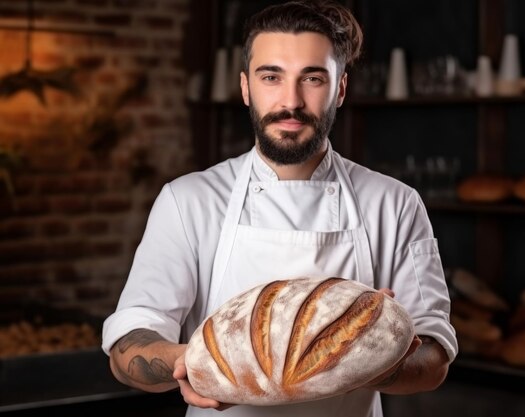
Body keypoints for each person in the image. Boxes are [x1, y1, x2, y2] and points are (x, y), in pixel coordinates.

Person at [101, 1, 458, 416]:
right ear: (245, 87)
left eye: (312, 78)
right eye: (271, 76)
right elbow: (128, 346)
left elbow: (433, 360)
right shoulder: (189, 201)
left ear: (340, 89)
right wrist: (194, 364)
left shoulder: (393, 204)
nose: (291, 101)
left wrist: (364, 346)